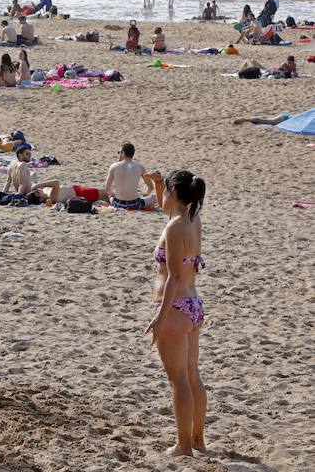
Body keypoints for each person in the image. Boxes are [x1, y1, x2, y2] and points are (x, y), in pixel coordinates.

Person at [142, 170, 208, 458]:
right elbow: (167, 209)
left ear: (174, 191)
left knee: (178, 379)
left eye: (165, 190)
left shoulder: (173, 228)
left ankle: (183, 446)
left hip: (175, 307)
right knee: (192, 375)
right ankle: (197, 439)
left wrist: (160, 317)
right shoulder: (192, 220)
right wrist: (158, 184)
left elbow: (172, 278)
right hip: (193, 305)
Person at [105, 143, 155, 210]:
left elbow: (107, 189)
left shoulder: (113, 166)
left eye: (119, 152)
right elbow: (151, 187)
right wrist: (146, 194)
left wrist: (113, 195)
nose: (118, 154)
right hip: (135, 204)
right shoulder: (140, 167)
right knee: (155, 197)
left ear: (123, 153)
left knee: (109, 196)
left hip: (118, 203)